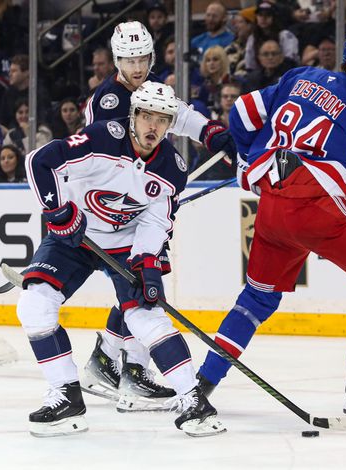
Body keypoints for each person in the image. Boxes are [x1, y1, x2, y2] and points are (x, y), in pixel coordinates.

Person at [197, 26, 346, 416]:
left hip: (271, 205)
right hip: (315, 206)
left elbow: (243, 112)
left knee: (258, 298)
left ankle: (201, 384)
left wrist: (249, 158)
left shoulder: (301, 76)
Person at [19, 81, 225, 437]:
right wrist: (58, 211)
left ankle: (192, 400)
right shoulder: (101, 138)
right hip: (76, 231)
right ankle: (66, 395)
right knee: (34, 305)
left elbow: (156, 219)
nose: (153, 127)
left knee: (146, 316)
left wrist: (147, 262)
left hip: (125, 243)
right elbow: (39, 161)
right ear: (133, 115)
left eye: (163, 120)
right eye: (146, 116)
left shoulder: (172, 169)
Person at [81, 21, 236, 410]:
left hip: (135, 204)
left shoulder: (149, 91)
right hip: (113, 209)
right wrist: (154, 194)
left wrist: (213, 132)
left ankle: (108, 361)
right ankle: (128, 369)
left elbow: (179, 114)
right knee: (140, 286)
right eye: (128, 60)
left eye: (143, 59)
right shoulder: (110, 101)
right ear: (116, 60)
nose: (136, 66)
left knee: (140, 282)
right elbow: (115, 160)